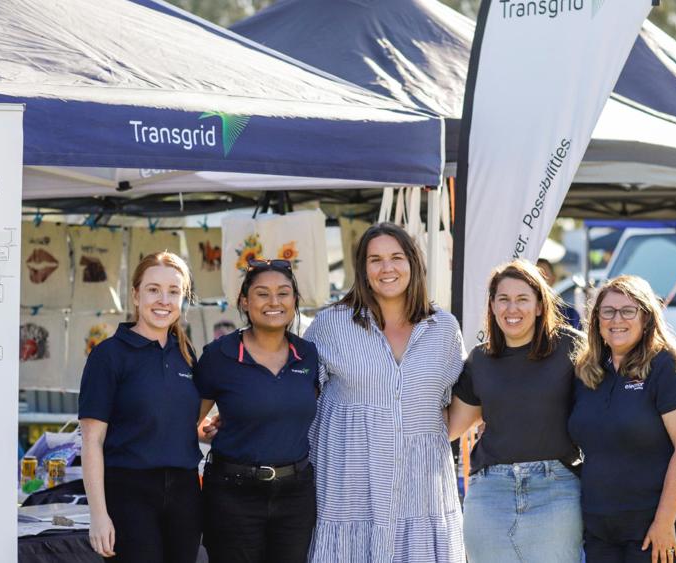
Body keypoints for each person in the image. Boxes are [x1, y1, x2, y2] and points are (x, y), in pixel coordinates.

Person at [303, 222, 466, 562]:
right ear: (362, 269)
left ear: (413, 263)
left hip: (421, 487)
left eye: (396, 257)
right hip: (350, 484)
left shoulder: (444, 329)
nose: (386, 268)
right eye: (375, 259)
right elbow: (301, 397)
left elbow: (461, 404)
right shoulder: (331, 324)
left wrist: (410, 434)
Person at [447, 259, 584, 562]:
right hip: (489, 494)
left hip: (556, 491)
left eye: (523, 299)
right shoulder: (480, 360)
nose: (512, 309)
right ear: (492, 306)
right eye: (503, 299)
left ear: (539, 305)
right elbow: (450, 427)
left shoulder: (570, 348)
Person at [569, 275, 676, 563]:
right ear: (596, 320)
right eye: (607, 311)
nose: (616, 319)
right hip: (602, 525)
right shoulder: (587, 372)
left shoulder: (669, 368)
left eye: (628, 311)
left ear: (646, 318)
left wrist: (664, 522)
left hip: (657, 521)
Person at [79, 252, 202, 562]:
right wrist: (98, 515)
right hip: (129, 492)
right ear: (135, 294)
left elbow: (180, 420)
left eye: (173, 291)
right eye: (153, 289)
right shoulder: (108, 356)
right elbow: (92, 441)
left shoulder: (186, 354)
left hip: (185, 492)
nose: (163, 300)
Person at [194, 259, 319, 563]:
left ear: (295, 301)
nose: (274, 302)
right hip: (232, 494)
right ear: (244, 302)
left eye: (283, 293)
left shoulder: (308, 354)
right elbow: (188, 421)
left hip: (295, 494)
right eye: (262, 293)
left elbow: (294, 410)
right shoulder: (218, 356)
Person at [537, 257, 582, 330]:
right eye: (536, 275)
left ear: (553, 278)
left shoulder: (570, 315)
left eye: (543, 275)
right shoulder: (524, 313)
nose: (540, 280)